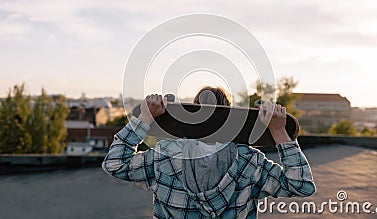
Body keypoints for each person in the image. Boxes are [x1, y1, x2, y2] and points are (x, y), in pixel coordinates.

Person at [102, 87, 315, 218]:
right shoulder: (251, 163)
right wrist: (278, 132)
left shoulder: (165, 156)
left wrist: (146, 118)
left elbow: (114, 164)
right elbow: (301, 185)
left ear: (192, 116)